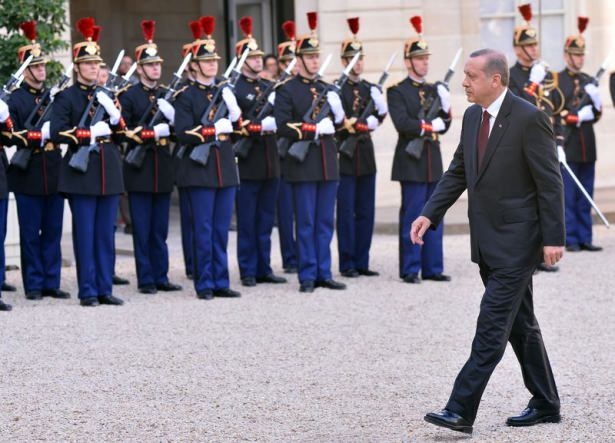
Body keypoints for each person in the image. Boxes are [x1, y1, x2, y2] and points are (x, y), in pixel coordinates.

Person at [413, 48, 564, 434]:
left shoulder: (529, 118)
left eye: (471, 76)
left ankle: (460, 409)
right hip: (486, 242)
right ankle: (546, 402)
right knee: (521, 325)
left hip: (518, 243)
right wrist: (430, 213)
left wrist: (553, 238)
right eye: (465, 75)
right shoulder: (471, 116)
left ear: (495, 80)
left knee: (492, 325)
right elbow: (458, 170)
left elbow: (550, 183)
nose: (464, 82)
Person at [51, 17, 126, 307]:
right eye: (88, 64)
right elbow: (57, 132)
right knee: (85, 235)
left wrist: (115, 118)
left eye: (97, 63)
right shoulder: (66, 97)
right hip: (81, 172)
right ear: (77, 67)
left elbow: (122, 134)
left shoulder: (107, 95)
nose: (94, 68)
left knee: (106, 235)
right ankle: (88, 290)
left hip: (108, 168)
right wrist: (88, 133)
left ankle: (105, 288)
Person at [274, 12, 346, 293]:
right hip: (302, 164)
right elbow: (282, 125)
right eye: (310, 57)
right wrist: (312, 130)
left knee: (325, 222)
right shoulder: (287, 90)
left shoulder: (327, 89)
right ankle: (307, 275)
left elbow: (338, 124)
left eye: (317, 56)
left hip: (327, 163)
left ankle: (323, 272)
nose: (315, 61)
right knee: (305, 223)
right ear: (299, 59)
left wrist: (338, 113)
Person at [174, 16, 241, 300]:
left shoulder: (224, 92)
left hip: (224, 167)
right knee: (203, 229)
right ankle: (204, 283)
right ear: (195, 65)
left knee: (220, 230)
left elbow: (237, 129)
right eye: (207, 60)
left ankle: (221, 281)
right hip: (199, 170)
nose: (212, 64)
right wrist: (213, 130)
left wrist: (235, 113)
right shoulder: (186, 96)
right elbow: (183, 132)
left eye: (214, 60)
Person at [7, 21, 70, 301]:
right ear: (25, 71)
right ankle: (33, 284)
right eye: (36, 66)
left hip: (53, 169)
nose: (42, 70)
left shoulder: (53, 97)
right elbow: (11, 135)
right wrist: (35, 136)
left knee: (53, 231)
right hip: (28, 172)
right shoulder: (16, 100)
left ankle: (51, 282)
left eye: (43, 65)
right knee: (31, 233)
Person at [387, 16, 452, 284]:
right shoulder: (397, 91)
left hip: (431, 160)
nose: (425, 62)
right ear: (408, 62)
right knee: (413, 214)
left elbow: (445, 124)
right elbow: (403, 123)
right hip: (411, 161)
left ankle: (433, 267)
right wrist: (428, 126)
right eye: (419, 58)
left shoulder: (434, 89)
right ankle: (410, 268)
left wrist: (445, 109)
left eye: (426, 58)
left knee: (434, 214)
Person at [119, 20, 182, 295]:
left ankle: (161, 275)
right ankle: (146, 278)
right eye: (150, 65)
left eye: (157, 64)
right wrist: (150, 132)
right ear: (140, 68)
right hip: (140, 167)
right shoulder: (129, 96)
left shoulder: (167, 94)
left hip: (162, 167)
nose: (156, 68)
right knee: (142, 229)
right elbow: (123, 130)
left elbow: (181, 129)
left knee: (160, 229)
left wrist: (173, 120)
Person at [508, 3, 564, 272]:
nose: (534, 50)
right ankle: (526, 256)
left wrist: (560, 142)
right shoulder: (511, 77)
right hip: (522, 147)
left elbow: (555, 109)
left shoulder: (545, 73)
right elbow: (518, 110)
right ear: (517, 49)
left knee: (547, 198)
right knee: (527, 201)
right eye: (528, 46)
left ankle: (544, 253)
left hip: (546, 145)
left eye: (535, 45)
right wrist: (532, 83)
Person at [233, 16, 286, 287]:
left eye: (258, 57)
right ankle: (247, 269)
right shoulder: (235, 88)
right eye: (251, 58)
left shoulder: (268, 87)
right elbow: (235, 124)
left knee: (266, 220)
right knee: (247, 220)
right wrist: (256, 126)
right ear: (241, 60)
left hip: (269, 160)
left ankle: (264, 267)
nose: (257, 61)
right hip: (248, 161)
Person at [336, 17, 387, 278]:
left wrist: (377, 116)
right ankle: (347, 262)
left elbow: (379, 116)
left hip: (365, 155)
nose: (358, 63)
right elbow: (336, 122)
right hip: (345, 155)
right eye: (353, 59)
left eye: (361, 59)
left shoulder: (369, 89)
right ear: (344, 61)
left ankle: (362, 261)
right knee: (346, 212)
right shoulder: (336, 89)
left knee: (366, 211)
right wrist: (352, 123)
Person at [556, 17, 603, 252]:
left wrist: (595, 102)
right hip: (568, 145)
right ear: (566, 56)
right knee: (569, 195)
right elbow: (555, 113)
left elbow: (596, 114)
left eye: (582, 55)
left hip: (587, 146)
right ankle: (571, 238)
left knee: (586, 195)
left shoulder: (588, 80)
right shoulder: (557, 80)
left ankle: (585, 237)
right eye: (575, 55)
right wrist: (572, 117)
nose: (580, 59)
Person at [275, 20, 299, 274]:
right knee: (286, 209)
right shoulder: (278, 90)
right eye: (288, 61)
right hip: (281, 154)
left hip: (304, 155)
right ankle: (289, 257)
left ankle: (302, 254)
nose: (293, 65)